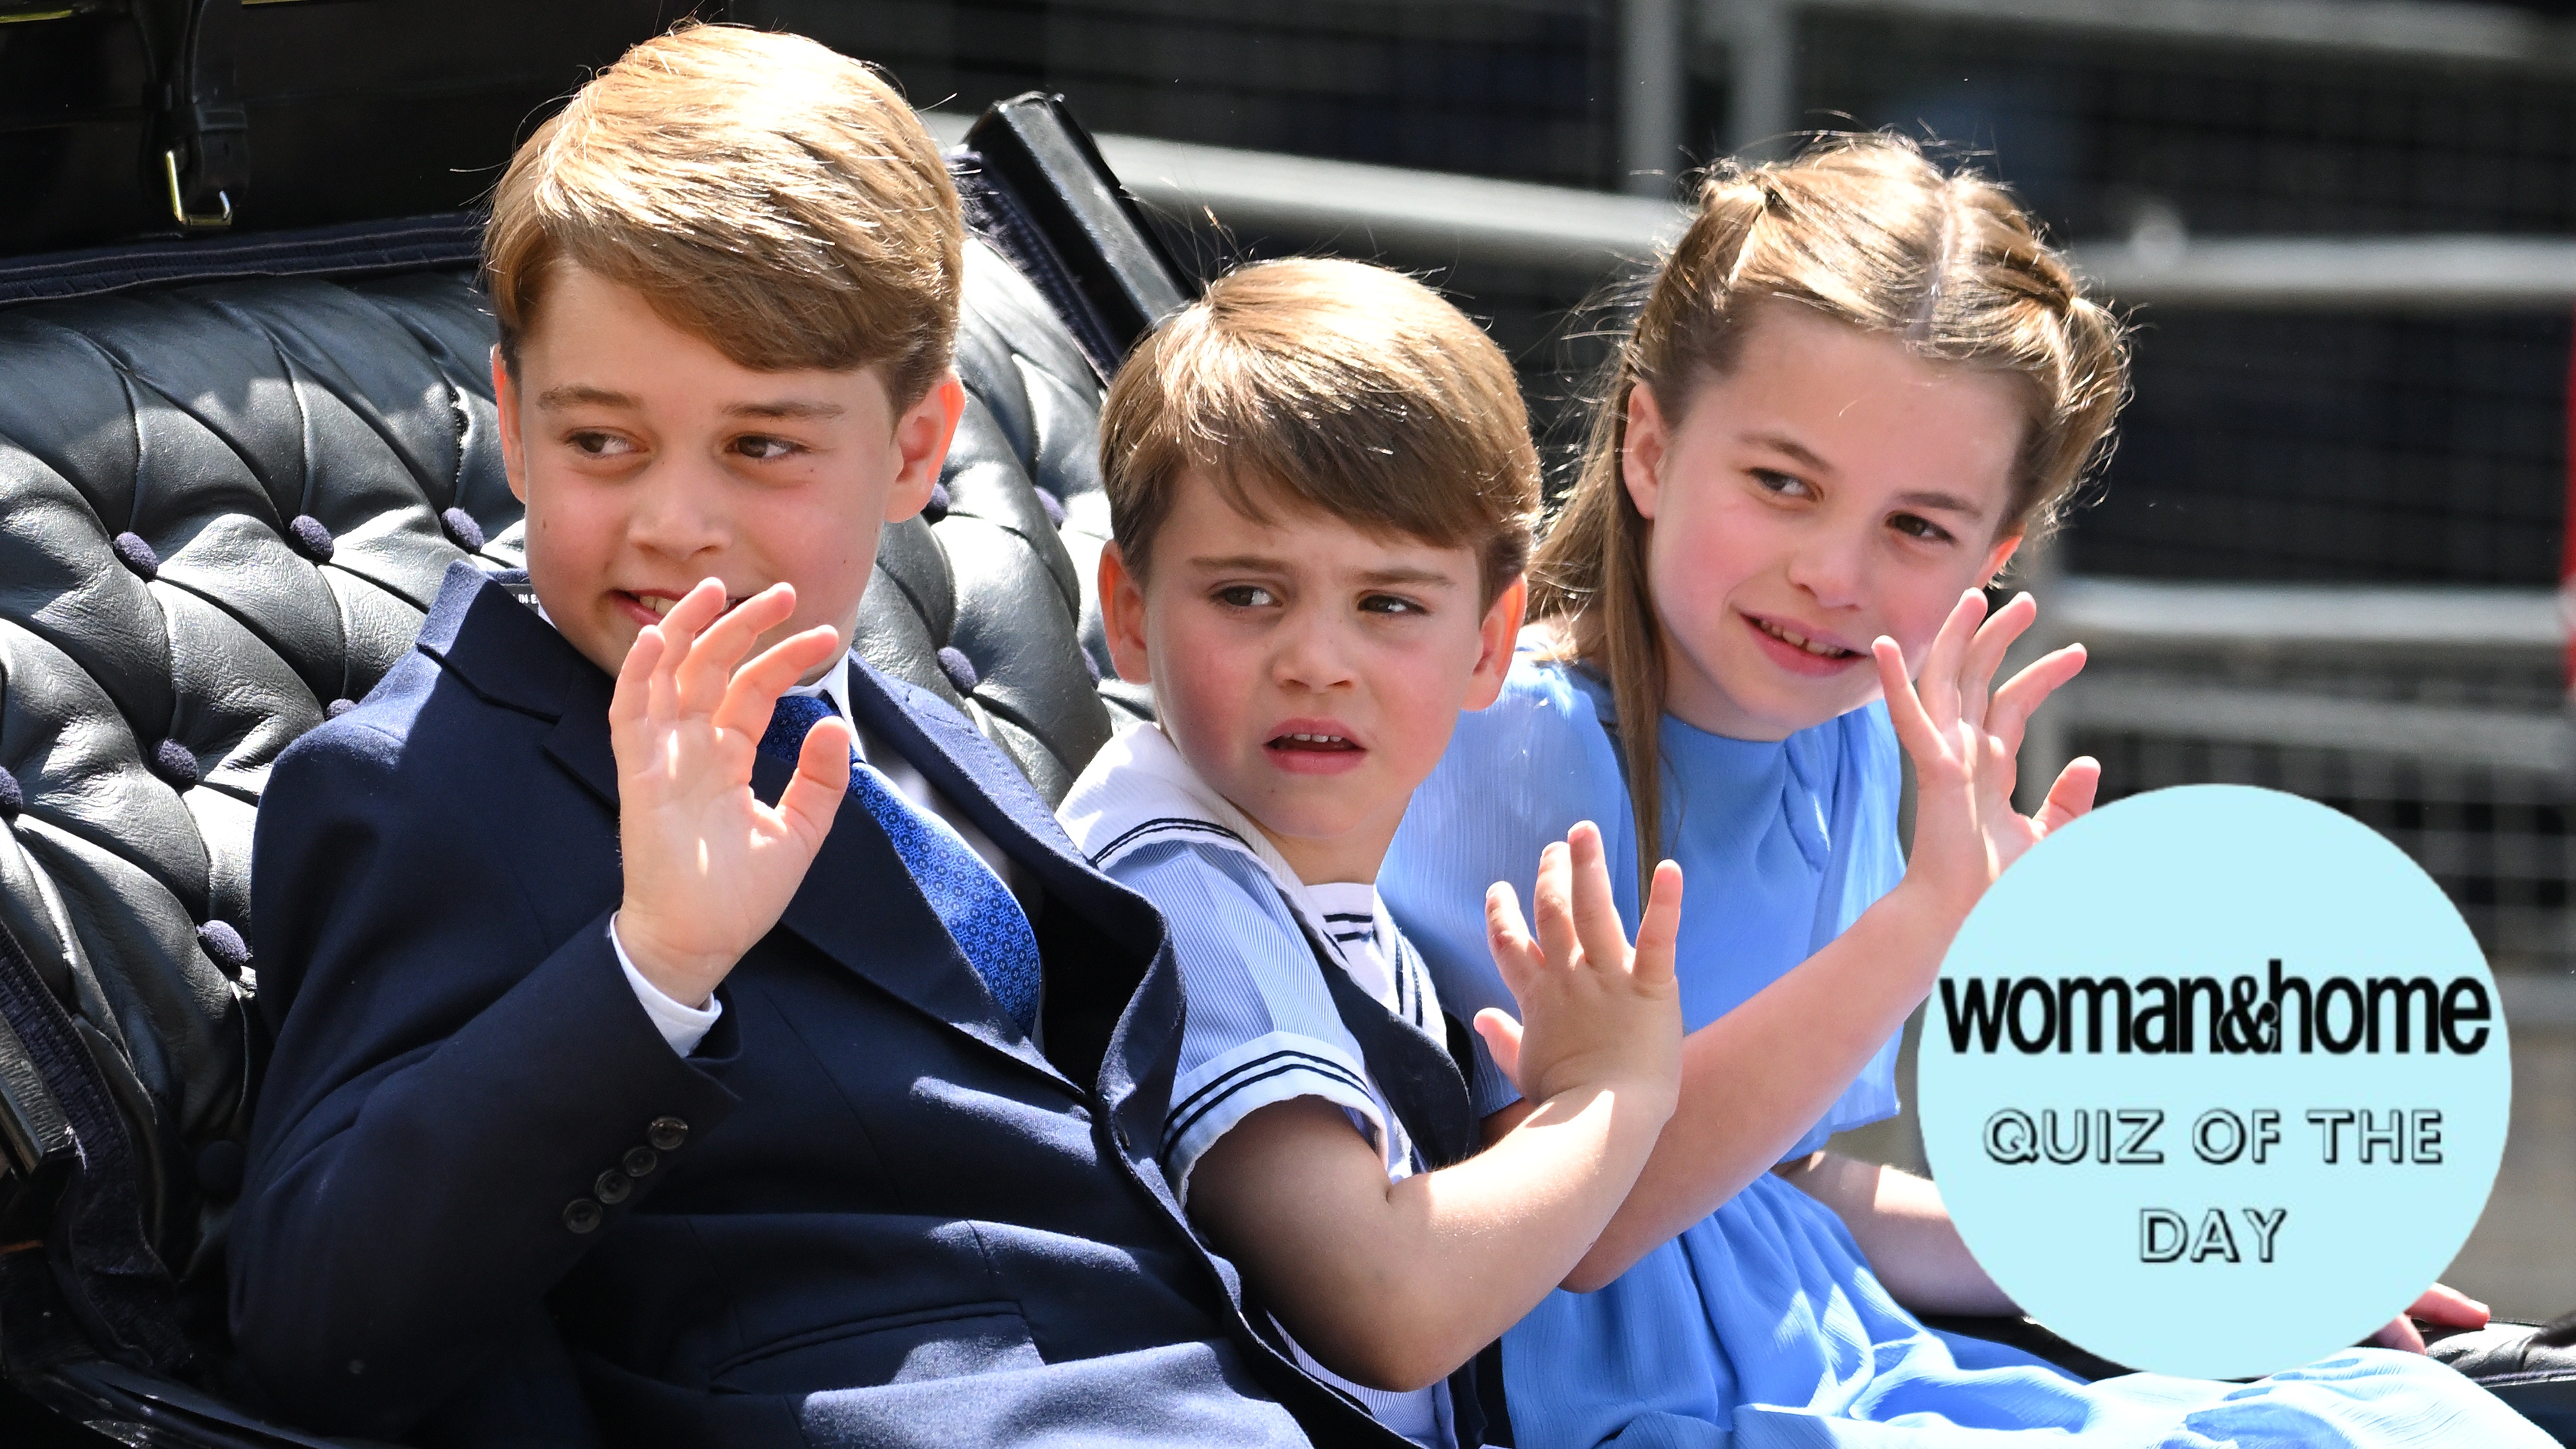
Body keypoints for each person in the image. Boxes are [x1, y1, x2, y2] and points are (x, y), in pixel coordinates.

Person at [228, 27, 1390, 1449]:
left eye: (761, 447)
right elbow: (316, 1319)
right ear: (516, 424)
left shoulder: (865, 694)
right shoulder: (423, 782)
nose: (672, 518)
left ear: (912, 452)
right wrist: (654, 960)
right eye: (603, 442)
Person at [1380, 134, 2549, 1448]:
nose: (1834, 570)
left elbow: (1783, 1194)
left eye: (1918, 526)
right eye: (1782, 484)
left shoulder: (1856, 741)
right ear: (1649, 448)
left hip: (1845, 1360)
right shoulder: (1499, 740)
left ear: (1991, 556)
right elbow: (1579, 1232)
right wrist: (1921, 927)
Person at [1057, 259, 1686, 1448]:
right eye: (1247, 593)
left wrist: (1539, 1109)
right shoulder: (1181, 889)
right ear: (1130, 612)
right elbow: (1386, 1305)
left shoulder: (1322, 887)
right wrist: (1619, 1091)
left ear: (1490, 640)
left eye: (1389, 604)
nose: (1316, 659)